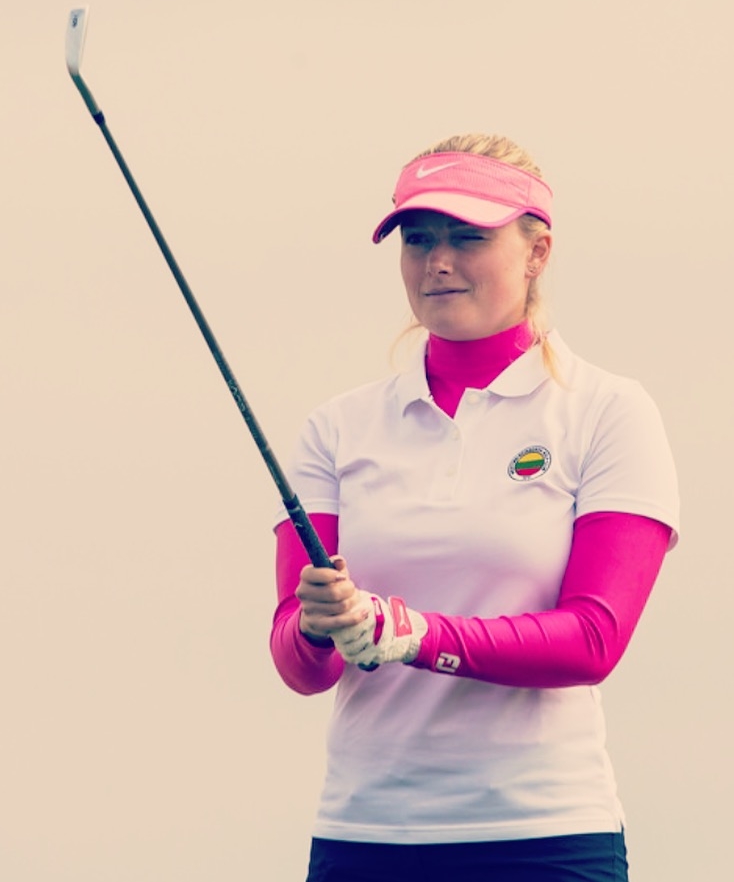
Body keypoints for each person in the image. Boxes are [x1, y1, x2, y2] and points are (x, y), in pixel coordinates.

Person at [270, 134, 679, 882]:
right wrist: (318, 627)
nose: (438, 261)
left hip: (546, 836)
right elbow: (300, 665)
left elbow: (594, 639)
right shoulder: (336, 428)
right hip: (366, 835)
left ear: (537, 251)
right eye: (418, 239)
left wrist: (416, 634)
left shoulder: (608, 411)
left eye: (468, 237)